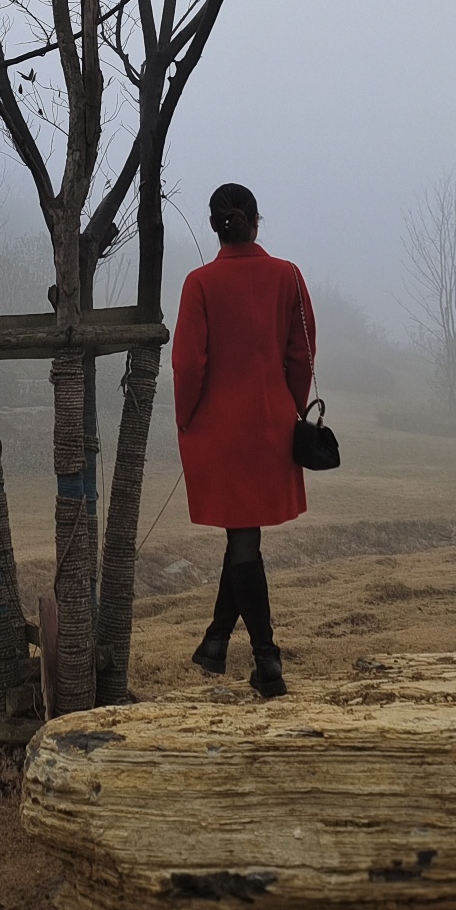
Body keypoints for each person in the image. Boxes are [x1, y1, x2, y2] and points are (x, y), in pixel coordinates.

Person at [171, 183, 316, 698]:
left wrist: (186, 418)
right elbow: (302, 355)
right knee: (244, 538)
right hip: (271, 426)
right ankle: (229, 646)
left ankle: (259, 655)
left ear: (216, 227)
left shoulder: (199, 283)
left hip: (217, 431)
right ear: (256, 221)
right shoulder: (288, 276)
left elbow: (188, 363)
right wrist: (290, 406)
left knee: (242, 538)